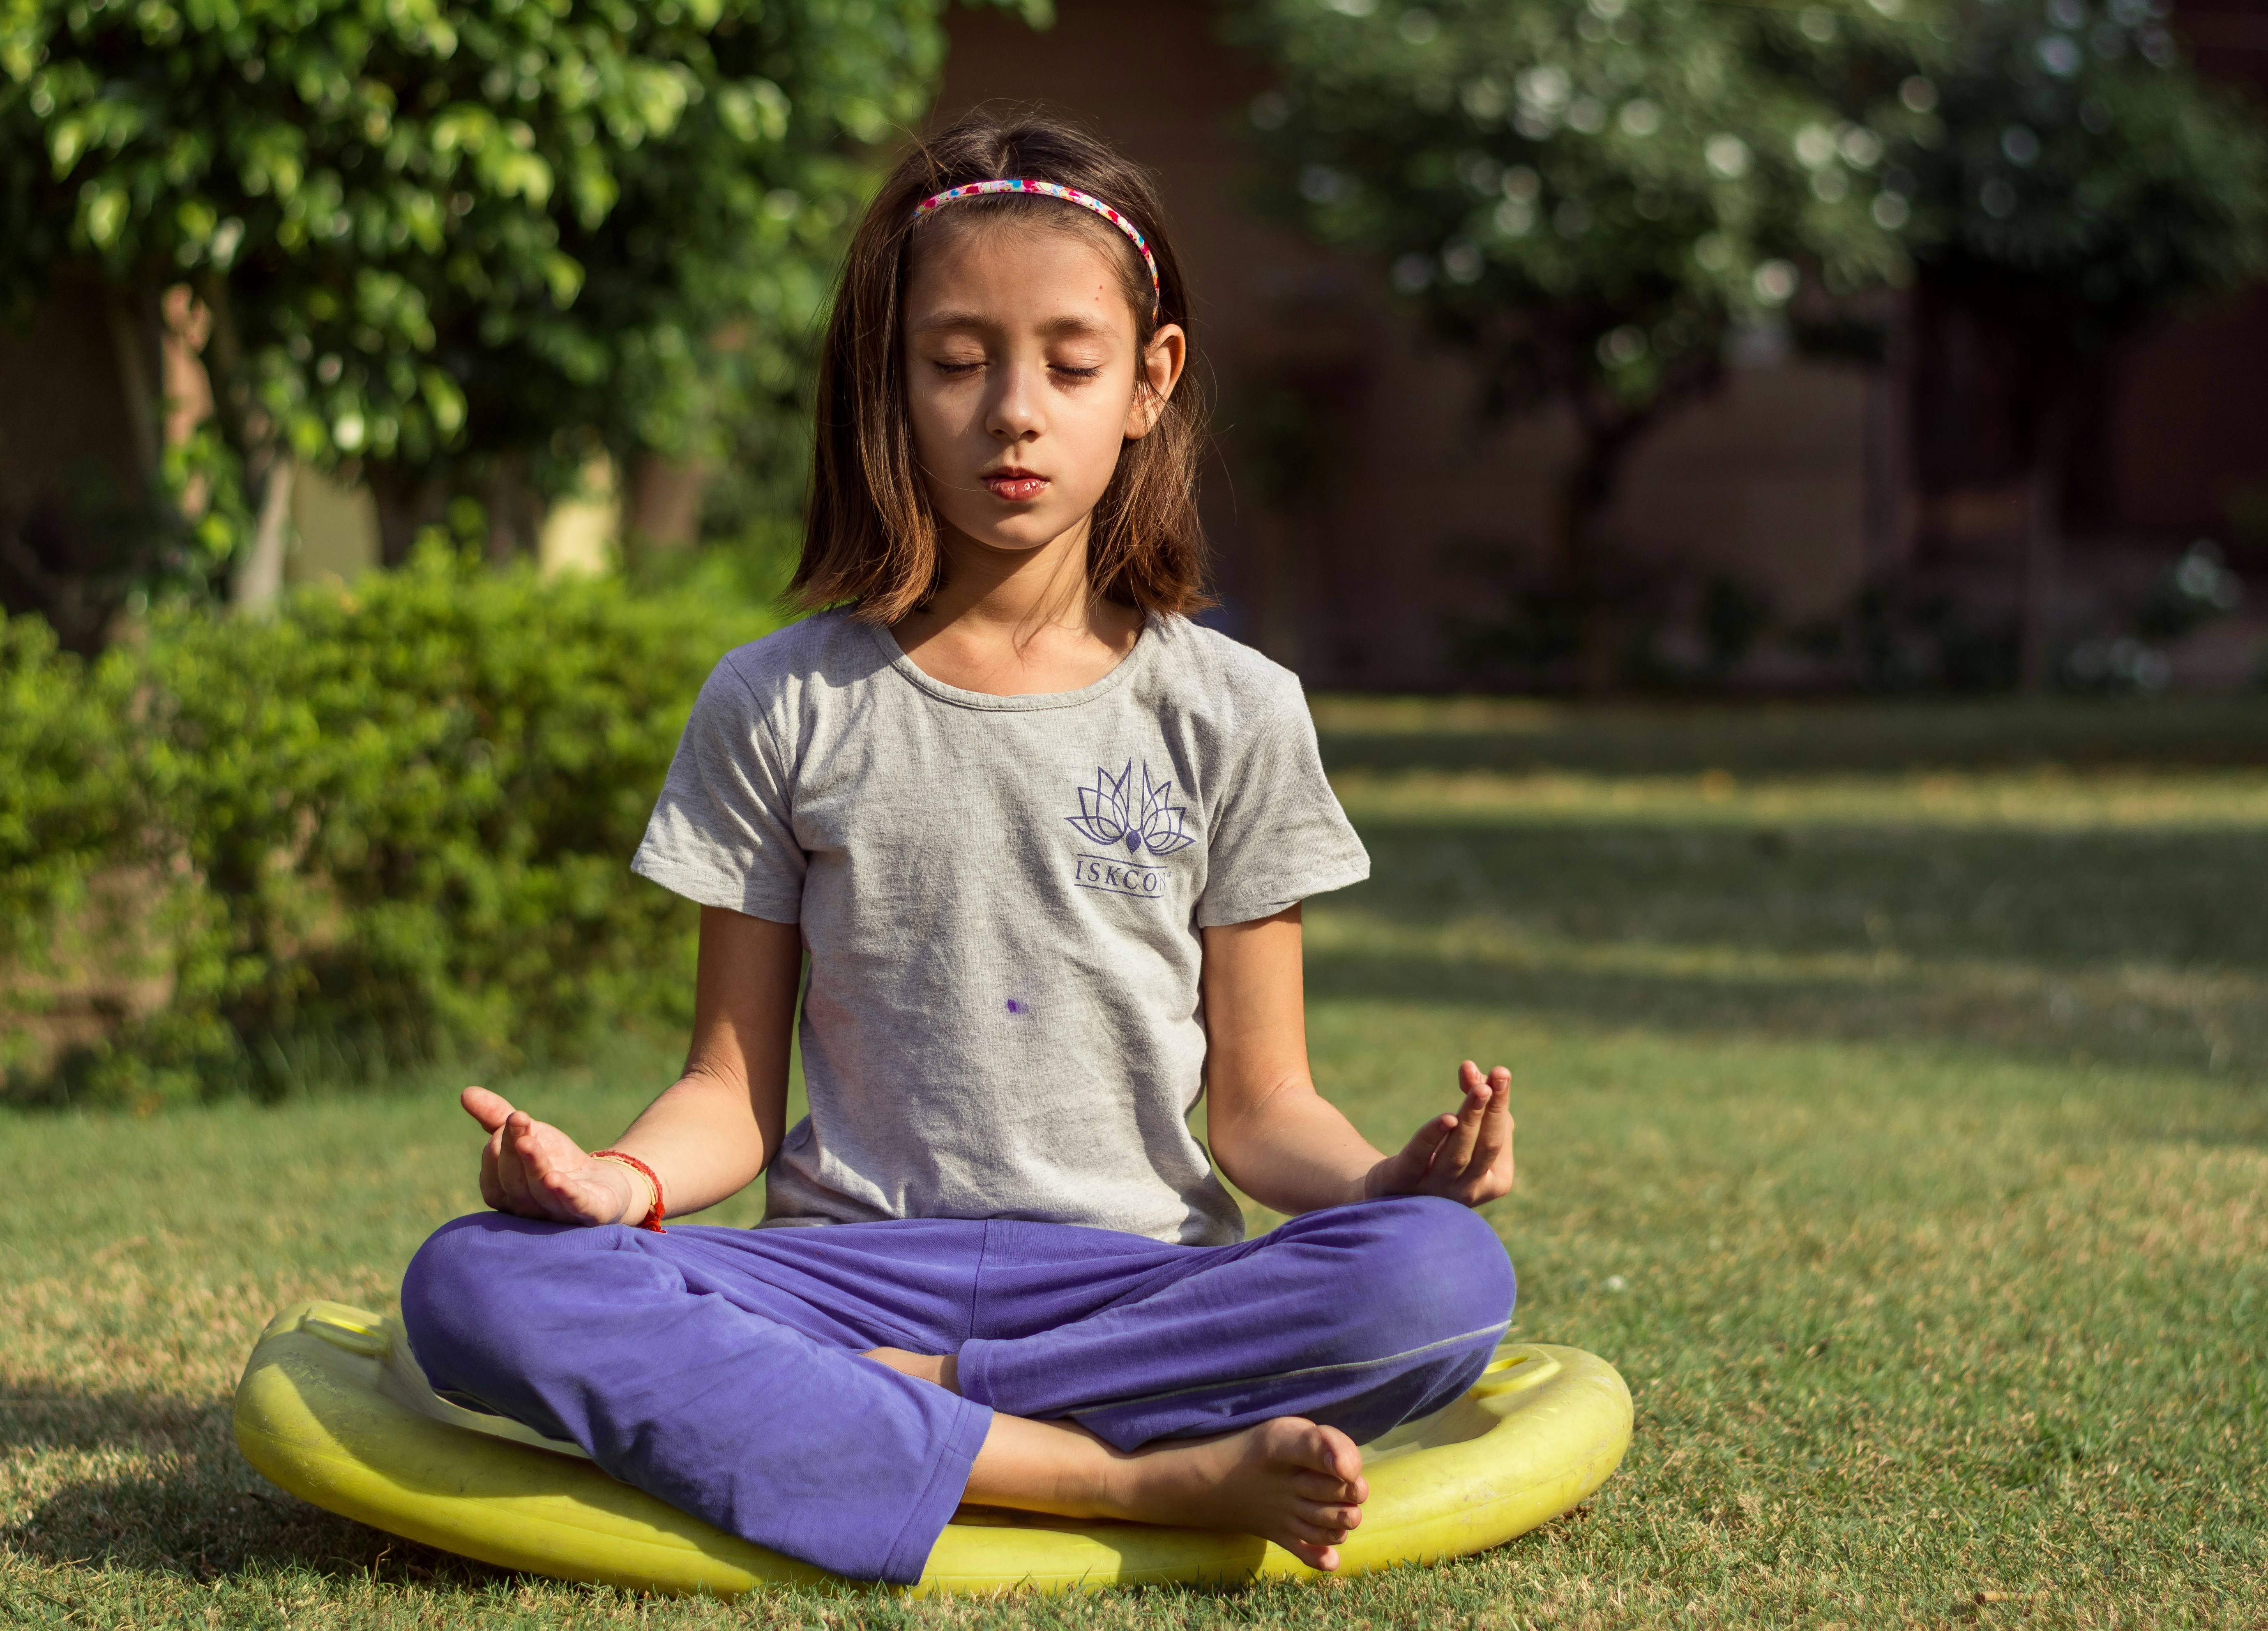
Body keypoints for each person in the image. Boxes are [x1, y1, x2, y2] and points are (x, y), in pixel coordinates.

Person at [399, 112, 1519, 1587]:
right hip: (839, 1269)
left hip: (1132, 1279)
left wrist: (1389, 1181)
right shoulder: (778, 699)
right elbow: (729, 1094)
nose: (1013, 411)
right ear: (892, 382)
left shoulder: (1236, 710)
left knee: (1439, 1281)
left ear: (1150, 382)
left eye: (1069, 363)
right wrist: (619, 1186)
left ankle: (880, 1411)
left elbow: (1261, 1108)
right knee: (478, 1283)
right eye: (955, 361)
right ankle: (1135, 1476)